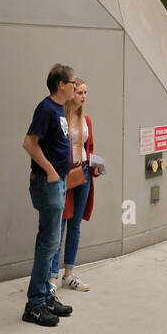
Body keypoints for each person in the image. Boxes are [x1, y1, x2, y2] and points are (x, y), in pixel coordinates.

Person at [21, 64, 77, 327]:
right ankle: (34, 304)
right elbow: (29, 143)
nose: (76, 87)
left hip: (59, 182)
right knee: (48, 244)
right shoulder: (46, 109)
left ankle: (45, 297)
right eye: (73, 83)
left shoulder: (60, 110)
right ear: (61, 85)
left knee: (51, 243)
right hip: (49, 182)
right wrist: (52, 171)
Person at [49, 79, 102, 292]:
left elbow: (89, 147)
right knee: (60, 225)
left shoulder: (86, 120)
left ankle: (69, 273)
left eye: (86, 92)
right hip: (66, 174)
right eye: (79, 92)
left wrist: (95, 165)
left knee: (76, 225)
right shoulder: (62, 117)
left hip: (84, 173)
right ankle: (51, 278)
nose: (83, 96)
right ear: (71, 93)